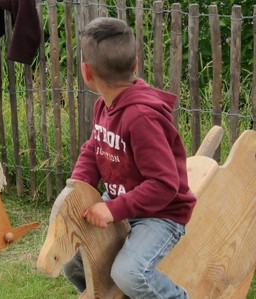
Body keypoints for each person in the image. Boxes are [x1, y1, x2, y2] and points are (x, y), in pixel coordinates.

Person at [62, 17, 196, 298]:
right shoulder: (104, 105)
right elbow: (94, 146)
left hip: (161, 214)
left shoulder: (141, 118)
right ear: (134, 65)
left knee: (128, 273)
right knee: (73, 265)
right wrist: (78, 187)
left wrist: (112, 209)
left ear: (86, 72)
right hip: (125, 203)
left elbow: (164, 184)